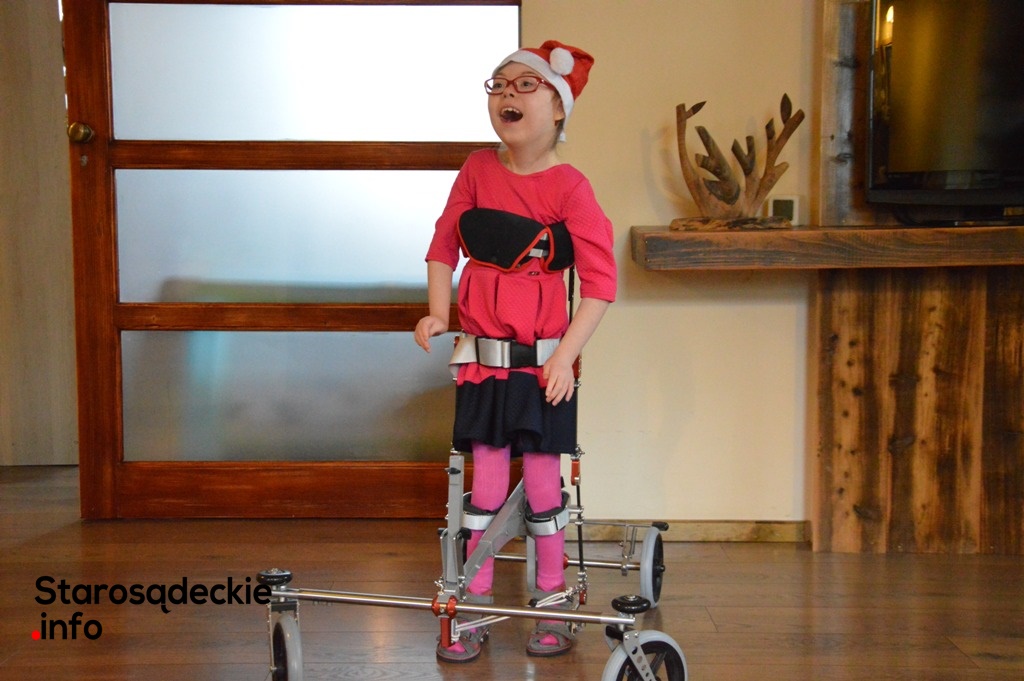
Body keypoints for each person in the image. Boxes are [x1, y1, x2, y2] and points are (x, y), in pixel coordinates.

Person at [414, 39, 617, 663]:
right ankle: (473, 605)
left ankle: (552, 604)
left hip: (542, 366)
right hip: (483, 363)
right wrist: (439, 312)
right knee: (486, 487)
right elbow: (443, 245)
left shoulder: (570, 187)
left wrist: (563, 358)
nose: (507, 93)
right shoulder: (478, 170)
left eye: (525, 84)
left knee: (544, 488)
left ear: (558, 107)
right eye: (498, 84)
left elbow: (601, 284)